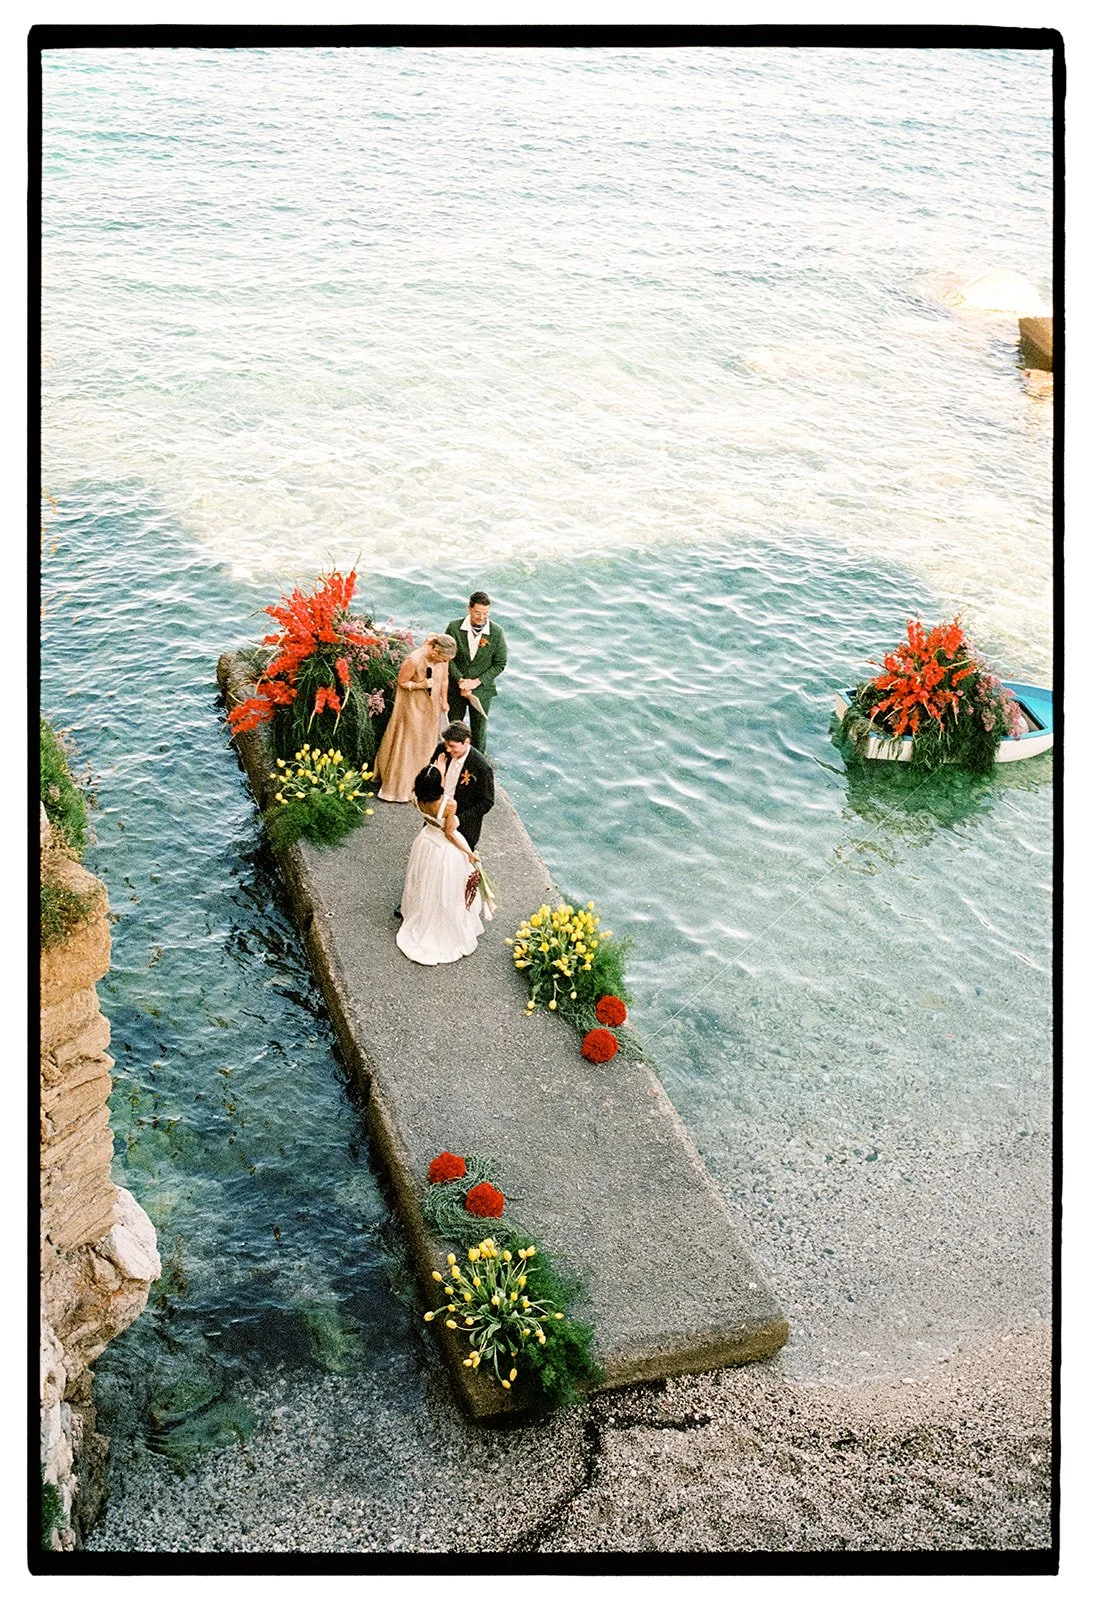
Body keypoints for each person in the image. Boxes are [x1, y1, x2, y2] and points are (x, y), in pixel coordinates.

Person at [395, 765, 488, 966]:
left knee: (424, 882)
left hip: (425, 842)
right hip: (443, 849)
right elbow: (450, 833)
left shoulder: (416, 799)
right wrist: (468, 852)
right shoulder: (448, 805)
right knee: (446, 888)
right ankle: (444, 927)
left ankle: (420, 915)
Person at [375, 633, 457, 803]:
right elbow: (402, 682)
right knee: (410, 742)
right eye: (443, 659)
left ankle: (420, 783)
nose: (445, 662)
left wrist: (444, 700)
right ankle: (400, 787)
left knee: (425, 742)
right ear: (435, 651)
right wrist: (421, 685)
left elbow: (444, 680)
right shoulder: (414, 660)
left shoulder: (443, 660)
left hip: (431, 706)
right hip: (413, 705)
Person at [445, 591, 507, 754]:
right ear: (469, 608)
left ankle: (477, 766)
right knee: (453, 726)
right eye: (478, 613)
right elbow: (447, 657)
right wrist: (460, 680)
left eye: (486, 613)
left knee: (479, 731)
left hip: (481, 691)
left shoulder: (496, 632)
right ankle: (450, 759)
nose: (482, 617)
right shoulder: (454, 627)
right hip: (456, 688)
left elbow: (500, 664)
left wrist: (476, 682)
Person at [427, 722, 494, 851]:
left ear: (466, 743)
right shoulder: (441, 750)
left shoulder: (481, 767)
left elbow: (487, 801)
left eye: (452, 746)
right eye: (446, 744)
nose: (447, 749)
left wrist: (457, 820)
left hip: (462, 825)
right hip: (437, 813)